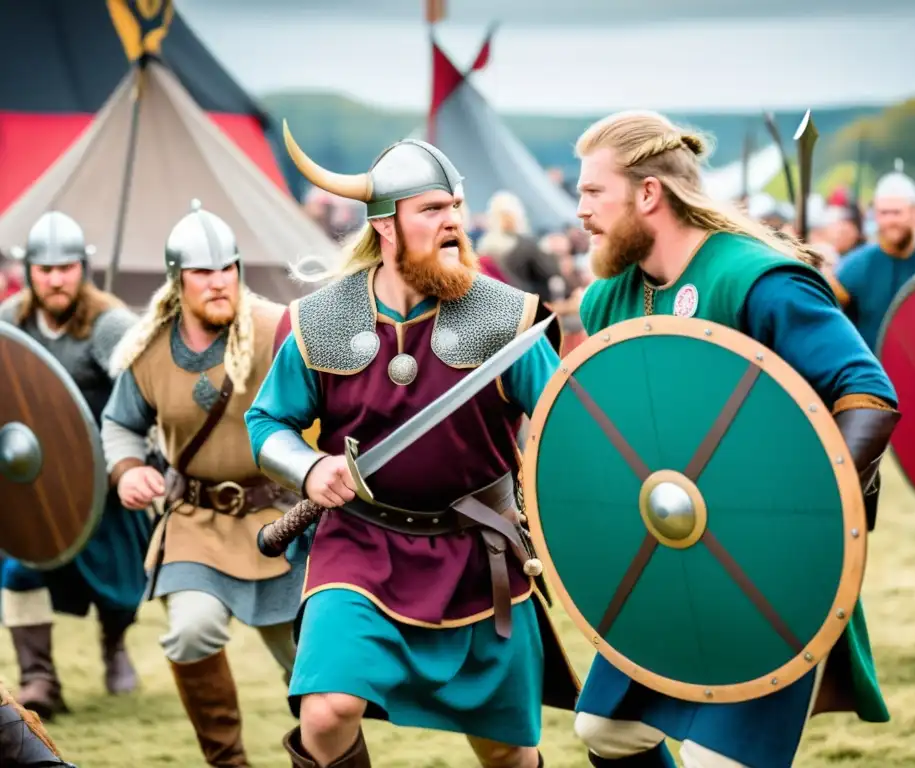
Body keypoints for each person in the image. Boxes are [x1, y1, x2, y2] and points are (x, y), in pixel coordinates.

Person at [568, 110, 901, 767]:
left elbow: (867, 396)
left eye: (591, 191)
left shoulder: (757, 280)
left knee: (718, 761)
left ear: (649, 194)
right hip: (668, 561)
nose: (579, 210)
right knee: (605, 730)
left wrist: (803, 505)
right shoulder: (608, 299)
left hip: (766, 570)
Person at [244, 134, 578, 768]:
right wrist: (310, 466)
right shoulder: (322, 320)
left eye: (455, 205)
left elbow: (571, 426)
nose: (452, 220)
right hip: (360, 547)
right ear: (385, 225)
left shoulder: (505, 319)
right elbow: (267, 422)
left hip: (479, 553)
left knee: (507, 752)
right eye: (430, 209)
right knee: (324, 711)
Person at [100, 200, 305, 767]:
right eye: (203, 272)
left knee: (311, 670)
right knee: (190, 632)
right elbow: (119, 423)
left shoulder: (276, 330)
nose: (219, 283)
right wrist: (128, 468)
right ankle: (227, 762)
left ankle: (324, 755)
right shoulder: (146, 350)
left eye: (227, 269)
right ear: (177, 279)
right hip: (195, 521)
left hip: (279, 521)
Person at [0, 212, 149, 720]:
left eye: (66, 267)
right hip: (34, 487)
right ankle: (38, 678)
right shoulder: (9, 326)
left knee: (120, 591)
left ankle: (115, 645)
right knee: (20, 571)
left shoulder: (109, 325)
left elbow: (141, 393)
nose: (56, 278)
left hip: (102, 485)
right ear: (31, 272)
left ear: (81, 268)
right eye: (45, 269)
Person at [827, 165, 915, 353]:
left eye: (897, 212)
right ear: (875, 215)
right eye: (884, 213)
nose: (890, 221)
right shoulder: (853, 268)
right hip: (874, 376)